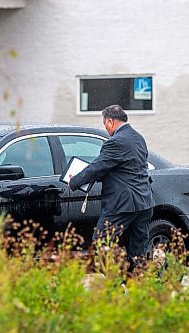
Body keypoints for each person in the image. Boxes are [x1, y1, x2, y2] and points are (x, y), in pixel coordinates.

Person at [69, 104, 155, 270]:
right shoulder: (138, 138)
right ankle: (138, 287)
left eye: (104, 123)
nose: (105, 127)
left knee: (102, 242)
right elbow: (125, 168)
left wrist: (74, 181)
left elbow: (97, 167)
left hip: (122, 204)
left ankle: (115, 283)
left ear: (110, 121)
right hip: (144, 202)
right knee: (138, 251)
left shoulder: (115, 142)